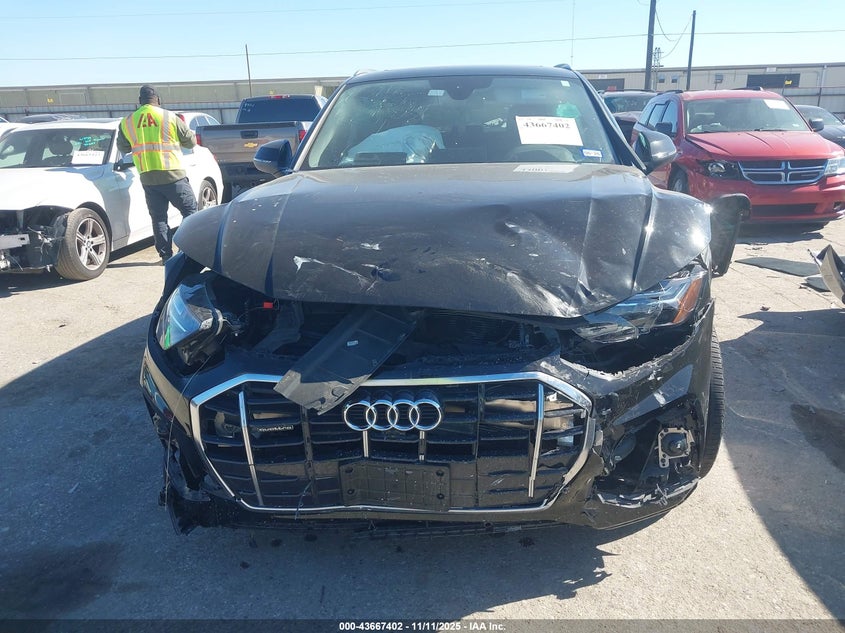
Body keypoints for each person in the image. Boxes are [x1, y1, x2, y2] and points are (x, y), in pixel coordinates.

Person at [117, 85, 197, 264]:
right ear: (158, 100)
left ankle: (166, 256)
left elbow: (123, 147)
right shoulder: (169, 117)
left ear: (139, 101)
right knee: (190, 212)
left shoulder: (128, 121)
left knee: (159, 218)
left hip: (148, 177)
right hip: (173, 174)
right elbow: (190, 142)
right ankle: (186, 251)